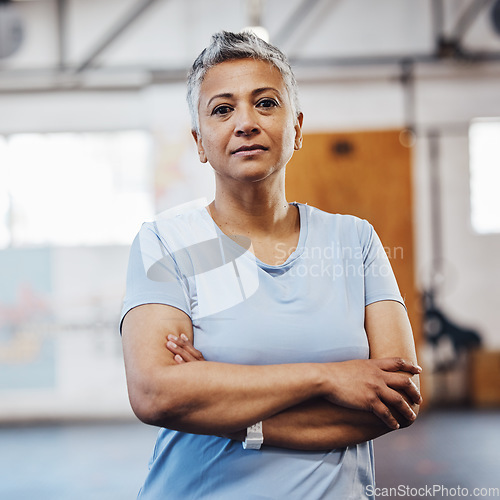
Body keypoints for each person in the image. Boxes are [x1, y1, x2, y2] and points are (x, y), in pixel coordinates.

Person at [120, 30, 422, 500]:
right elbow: (156, 393)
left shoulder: (354, 240)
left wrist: (224, 407)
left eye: (265, 103)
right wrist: (331, 376)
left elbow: (396, 397)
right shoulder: (165, 242)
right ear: (200, 142)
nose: (245, 123)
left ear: (297, 128)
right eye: (223, 109)